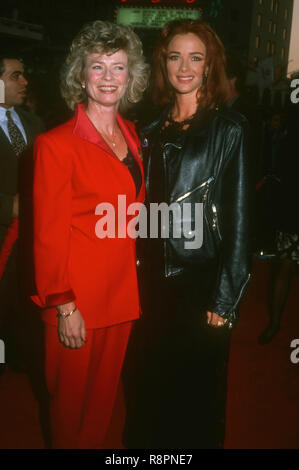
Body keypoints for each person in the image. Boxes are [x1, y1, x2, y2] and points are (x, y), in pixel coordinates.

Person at [123, 19, 252, 449]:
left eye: (195, 58)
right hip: (148, 285)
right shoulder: (148, 130)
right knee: (148, 388)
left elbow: (239, 221)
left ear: (209, 66)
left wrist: (225, 298)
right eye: (175, 56)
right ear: (162, 64)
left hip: (198, 284)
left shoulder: (228, 129)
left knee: (196, 396)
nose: (184, 67)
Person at [31, 20, 148, 449]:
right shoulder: (54, 145)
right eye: (97, 67)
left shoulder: (133, 136)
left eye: (118, 67)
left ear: (131, 76)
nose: (108, 78)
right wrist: (64, 306)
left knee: (101, 411)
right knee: (69, 415)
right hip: (75, 303)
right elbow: (46, 234)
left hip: (120, 298)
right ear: (80, 75)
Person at [0, 54, 44, 374]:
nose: (24, 82)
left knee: (18, 303)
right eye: (16, 75)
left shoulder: (34, 123)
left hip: (30, 236)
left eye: (24, 75)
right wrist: (8, 205)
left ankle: (15, 358)